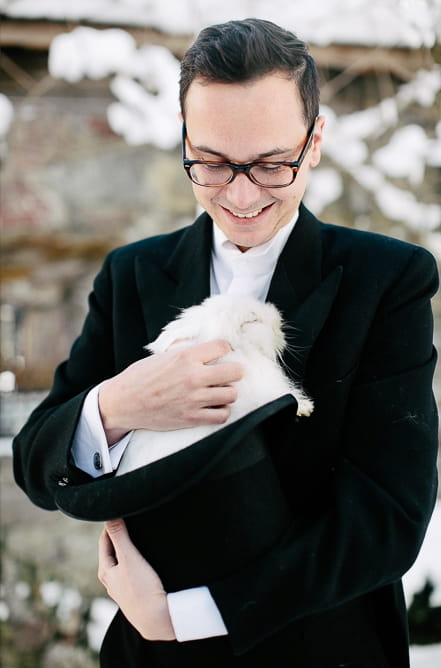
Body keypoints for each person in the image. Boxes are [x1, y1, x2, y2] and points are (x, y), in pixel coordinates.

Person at [12, 18, 439, 668]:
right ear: (184, 141)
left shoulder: (389, 280)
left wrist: (182, 616)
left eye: (271, 164)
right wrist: (116, 407)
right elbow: (37, 466)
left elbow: (387, 520)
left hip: (323, 652)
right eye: (210, 164)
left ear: (315, 140)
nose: (240, 195)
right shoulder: (130, 274)